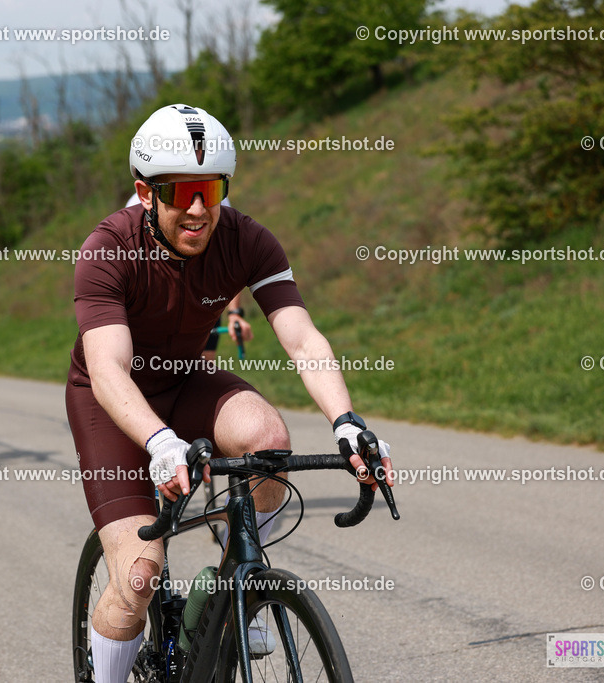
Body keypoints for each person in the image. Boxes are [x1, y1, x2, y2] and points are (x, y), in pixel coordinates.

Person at [67, 103, 393, 683]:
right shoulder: (107, 248)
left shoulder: (246, 239)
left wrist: (347, 422)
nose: (198, 209)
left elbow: (301, 337)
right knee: (139, 575)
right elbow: (109, 367)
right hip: (110, 401)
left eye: (212, 189)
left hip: (187, 380)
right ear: (145, 192)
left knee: (267, 439)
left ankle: (232, 589)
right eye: (181, 191)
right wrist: (161, 442)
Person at [126, 192, 252, 361]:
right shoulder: (136, 205)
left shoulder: (218, 198)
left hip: (202, 296)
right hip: (156, 300)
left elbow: (229, 260)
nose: (197, 210)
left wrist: (234, 313)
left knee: (202, 373)